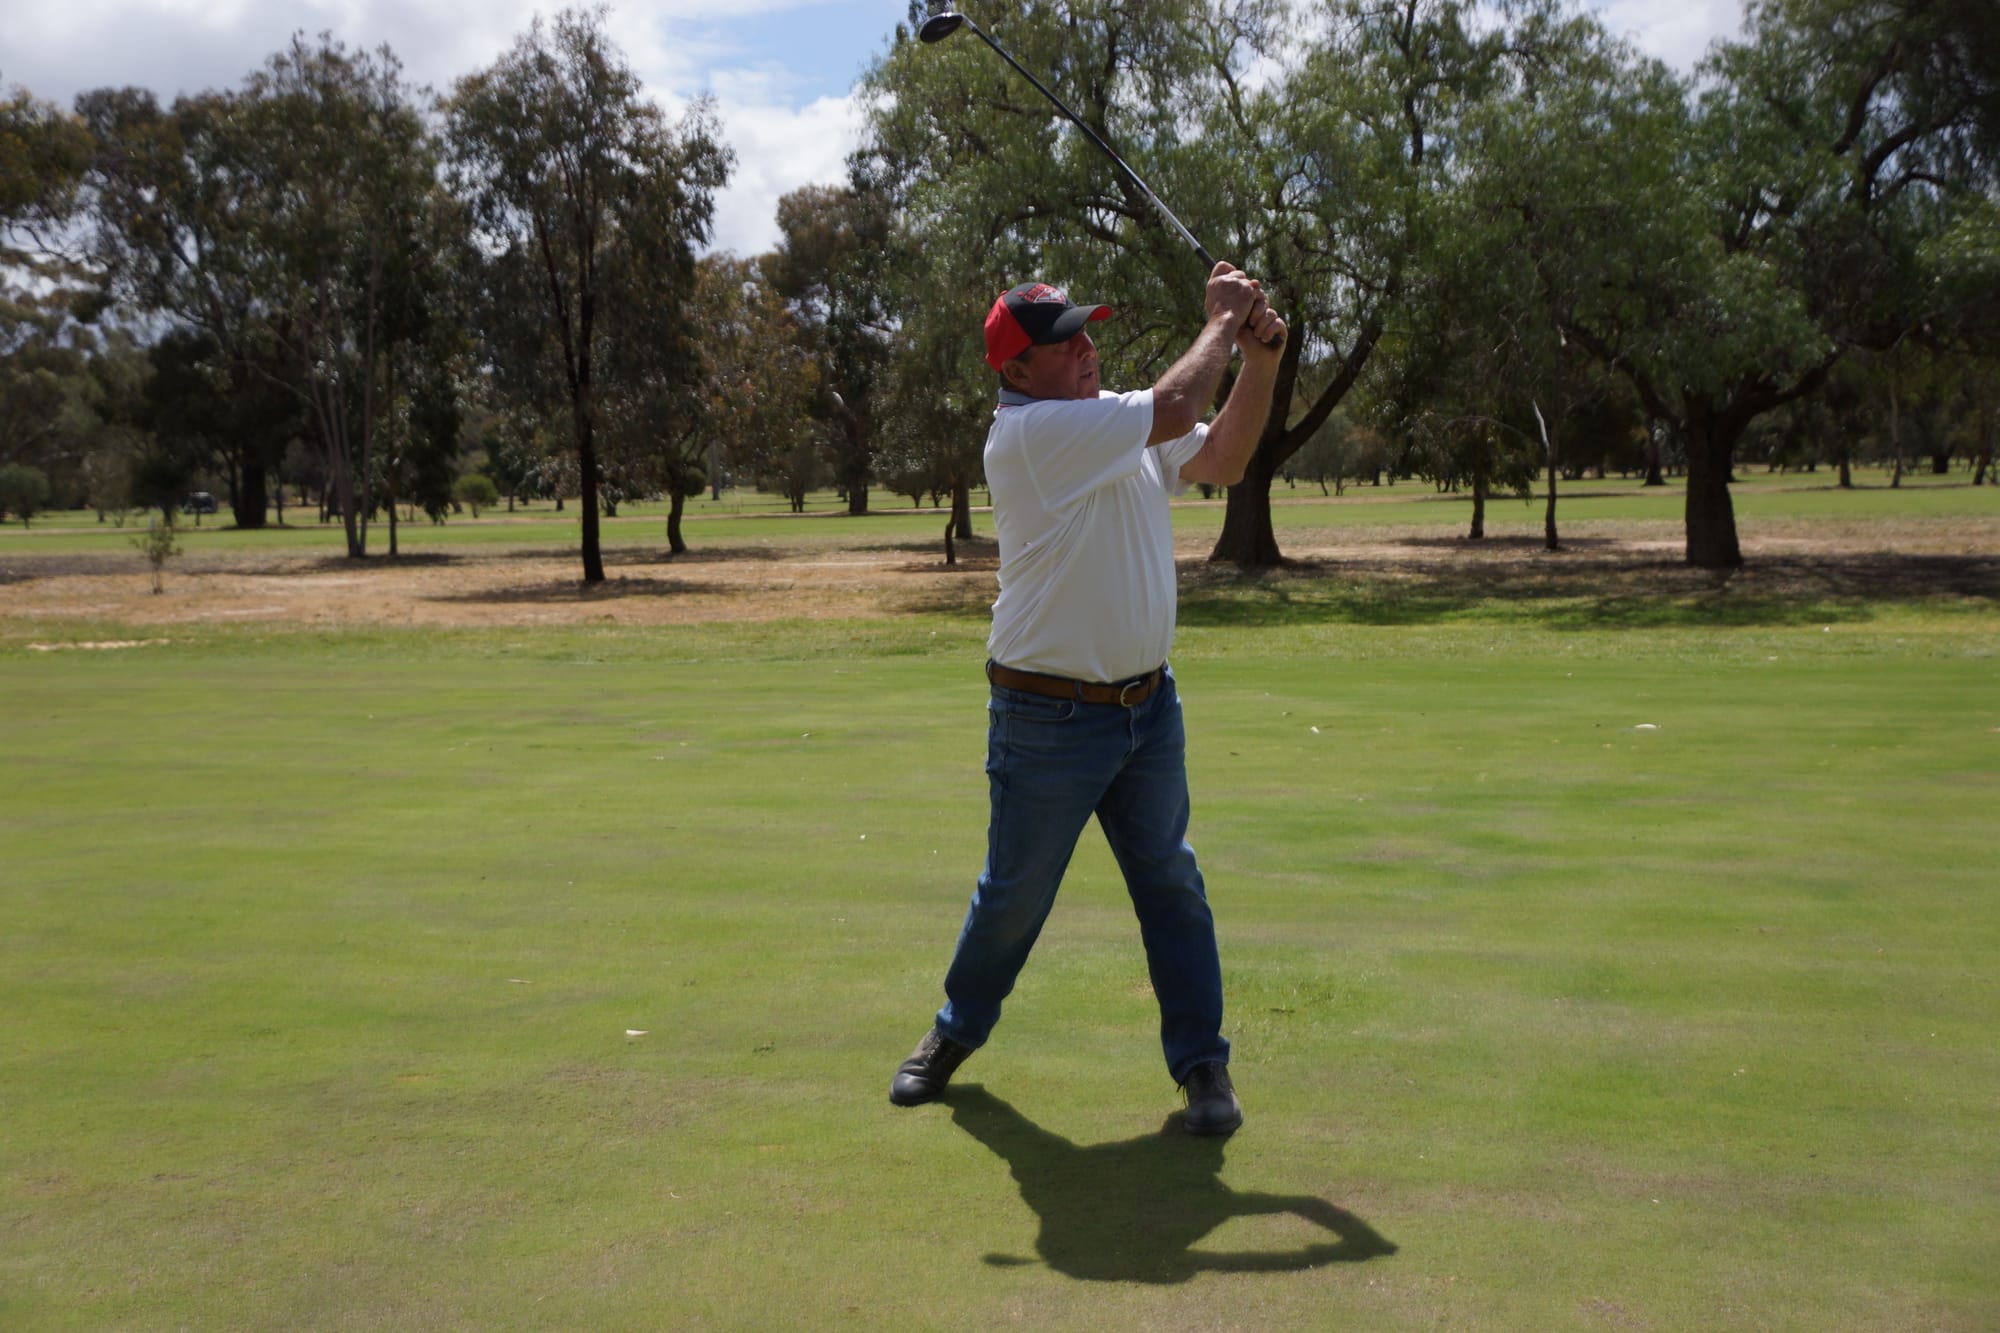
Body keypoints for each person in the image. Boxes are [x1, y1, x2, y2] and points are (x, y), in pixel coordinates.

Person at [889, 263, 1287, 1135]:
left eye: (1085, 332)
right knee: (1015, 896)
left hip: (1149, 711)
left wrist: (1259, 361)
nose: (1085, 348)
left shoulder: (1114, 423)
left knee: (1172, 885)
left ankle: (1205, 1069)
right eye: (1062, 340)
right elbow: (1181, 411)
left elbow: (1220, 455)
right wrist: (1224, 319)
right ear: (1018, 371)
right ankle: (954, 1033)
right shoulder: (1029, 437)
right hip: (1047, 718)